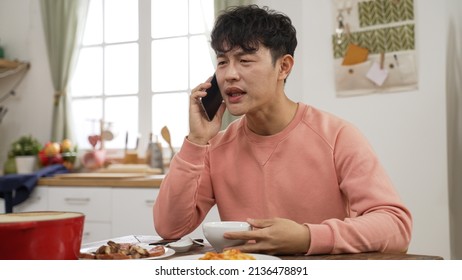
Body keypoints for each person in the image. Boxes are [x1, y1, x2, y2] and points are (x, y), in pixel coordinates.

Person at [153, 5, 412, 255]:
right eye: (222, 62)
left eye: (244, 60)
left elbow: (396, 226)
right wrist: (197, 140)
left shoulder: (337, 135)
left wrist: (307, 237)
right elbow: (170, 228)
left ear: (284, 67)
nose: (229, 74)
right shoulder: (215, 148)